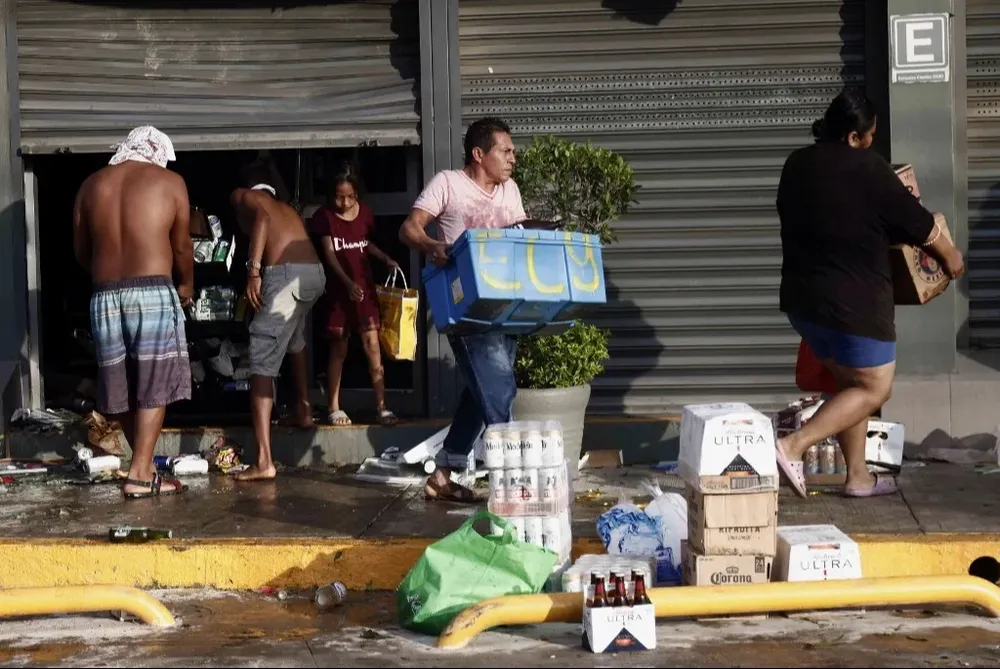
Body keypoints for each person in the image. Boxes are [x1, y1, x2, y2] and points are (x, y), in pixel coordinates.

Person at [774, 90, 965, 499]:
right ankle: (793, 446)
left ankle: (857, 476)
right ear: (853, 137)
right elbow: (916, 221)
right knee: (875, 388)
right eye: (870, 135)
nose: (872, 142)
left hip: (803, 301)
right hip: (854, 306)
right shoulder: (868, 169)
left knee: (849, 384)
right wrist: (949, 255)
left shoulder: (797, 164)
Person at [399, 117, 527, 503]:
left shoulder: (510, 190)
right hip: (467, 309)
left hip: (506, 308)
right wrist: (430, 246)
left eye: (512, 153)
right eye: (505, 151)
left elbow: (519, 238)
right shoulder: (449, 184)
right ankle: (513, 481)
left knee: (480, 391)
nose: (512, 159)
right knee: (499, 389)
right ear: (479, 153)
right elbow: (410, 227)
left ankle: (443, 474)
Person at [72, 125, 194, 499]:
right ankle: (140, 474)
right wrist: (186, 284)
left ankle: (144, 468)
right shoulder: (170, 182)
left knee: (121, 387)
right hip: (153, 290)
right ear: (157, 152)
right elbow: (182, 247)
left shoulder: (91, 185)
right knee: (155, 384)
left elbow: (81, 251)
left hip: (104, 297)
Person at [231, 160, 326, 482]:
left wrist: (253, 270)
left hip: (283, 275)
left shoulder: (245, 197)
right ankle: (303, 411)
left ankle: (263, 461)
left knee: (261, 356)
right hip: (313, 275)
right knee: (294, 340)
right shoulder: (285, 206)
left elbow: (261, 218)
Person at [310, 163, 400, 427]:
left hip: (365, 291)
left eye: (350, 196)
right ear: (331, 195)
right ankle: (334, 407)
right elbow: (329, 254)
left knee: (373, 347)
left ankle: (382, 407)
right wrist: (347, 283)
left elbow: (364, 243)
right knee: (339, 348)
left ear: (357, 194)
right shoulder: (325, 217)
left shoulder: (365, 214)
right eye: (339, 196)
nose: (345, 202)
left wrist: (385, 258)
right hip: (340, 292)